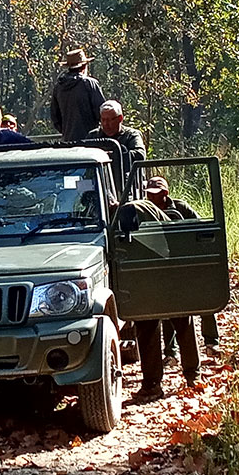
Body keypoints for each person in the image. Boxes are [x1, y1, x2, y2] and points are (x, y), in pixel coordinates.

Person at [144, 175, 221, 358]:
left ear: (165, 193)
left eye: (155, 194)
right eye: (149, 194)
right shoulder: (146, 210)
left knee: (205, 302)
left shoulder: (181, 208)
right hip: (163, 266)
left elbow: (201, 229)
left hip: (186, 262)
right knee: (168, 309)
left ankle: (211, 343)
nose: (151, 198)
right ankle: (171, 353)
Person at [87, 100, 145, 192]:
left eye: (110, 120)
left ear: (120, 118)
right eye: (103, 120)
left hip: (127, 186)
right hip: (99, 186)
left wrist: (116, 154)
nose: (106, 124)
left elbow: (140, 155)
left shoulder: (131, 135)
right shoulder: (93, 136)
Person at [49, 48, 104, 140]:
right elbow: (102, 112)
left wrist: (67, 131)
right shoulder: (89, 83)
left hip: (68, 141)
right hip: (90, 141)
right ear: (84, 66)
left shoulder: (59, 87)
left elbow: (55, 117)